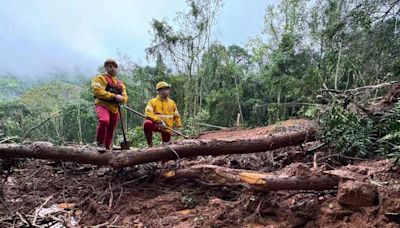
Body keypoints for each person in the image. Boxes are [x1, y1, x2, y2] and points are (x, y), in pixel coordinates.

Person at [91, 58, 128, 152]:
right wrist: (113, 96)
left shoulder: (120, 84)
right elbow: (97, 91)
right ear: (106, 68)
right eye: (110, 66)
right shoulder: (100, 78)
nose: (113, 69)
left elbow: (125, 98)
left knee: (111, 129)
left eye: (115, 67)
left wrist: (122, 98)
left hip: (114, 109)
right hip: (102, 105)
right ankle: (100, 143)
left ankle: (107, 148)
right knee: (104, 121)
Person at [143, 81, 181, 147]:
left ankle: (164, 146)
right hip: (157, 125)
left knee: (166, 146)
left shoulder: (172, 103)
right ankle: (150, 145)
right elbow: (148, 114)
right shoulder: (152, 102)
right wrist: (159, 121)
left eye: (168, 89)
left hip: (167, 127)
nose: (168, 91)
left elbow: (176, 116)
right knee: (147, 123)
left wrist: (178, 127)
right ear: (159, 91)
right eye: (165, 89)